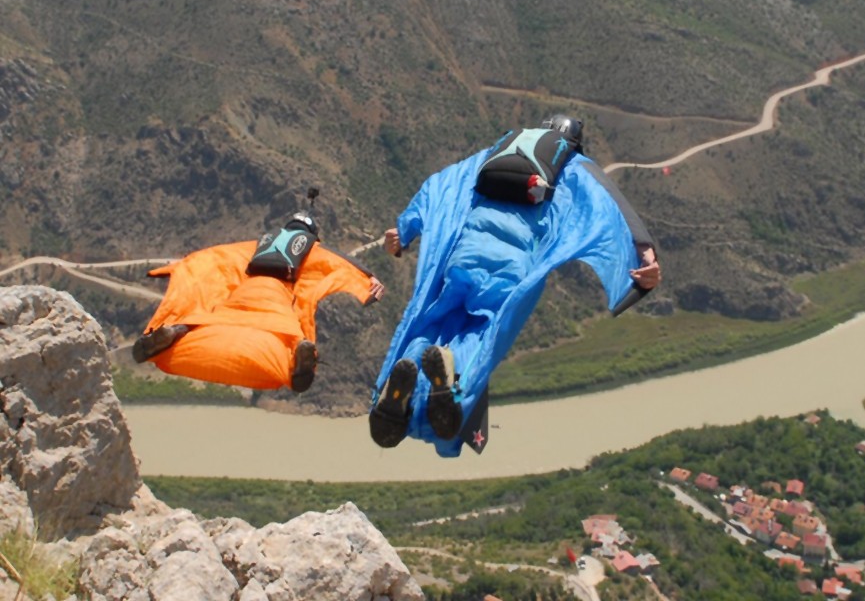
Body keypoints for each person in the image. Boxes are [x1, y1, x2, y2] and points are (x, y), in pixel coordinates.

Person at [368, 114, 661, 457]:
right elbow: (613, 207)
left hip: (463, 255)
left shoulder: (496, 152)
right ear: (573, 143)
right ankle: (452, 383)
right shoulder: (574, 167)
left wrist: (405, 230)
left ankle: (404, 374)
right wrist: (646, 256)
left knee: (434, 322)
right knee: (482, 334)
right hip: (509, 268)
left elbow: (442, 184)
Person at [133, 209, 385, 392]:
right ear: (312, 235)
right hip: (276, 299)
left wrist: (182, 265)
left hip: (244, 293)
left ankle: (176, 332)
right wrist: (368, 278)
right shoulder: (313, 251)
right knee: (292, 333)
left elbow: (217, 255)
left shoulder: (257, 246)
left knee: (210, 319)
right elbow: (342, 263)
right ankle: (299, 360)